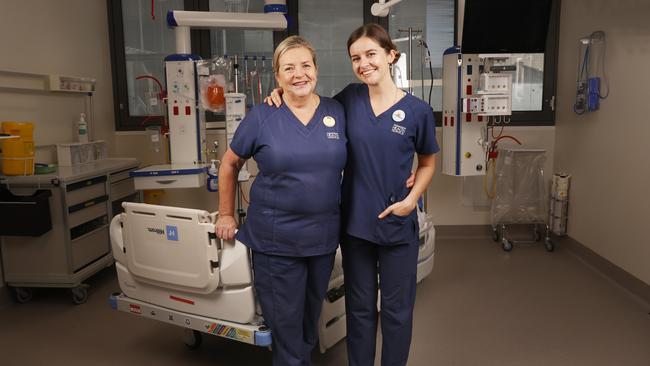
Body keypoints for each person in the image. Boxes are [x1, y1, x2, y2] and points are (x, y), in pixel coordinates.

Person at [267, 24, 439, 366]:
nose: (364, 63)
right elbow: (309, 103)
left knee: (397, 313)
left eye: (371, 54)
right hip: (356, 227)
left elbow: (428, 162)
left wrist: (412, 199)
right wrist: (280, 93)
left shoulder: (417, 111)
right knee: (359, 312)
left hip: (398, 227)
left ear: (391, 55)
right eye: (356, 58)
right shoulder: (347, 99)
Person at [215, 35, 347, 366]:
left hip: (321, 240)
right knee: (286, 329)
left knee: (307, 324)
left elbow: (371, 146)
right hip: (277, 243)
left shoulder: (336, 111)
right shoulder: (262, 116)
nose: (298, 74)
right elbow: (230, 164)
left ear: (316, 69)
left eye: (305, 65)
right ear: (277, 77)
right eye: (288, 68)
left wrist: (407, 174)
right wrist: (226, 214)